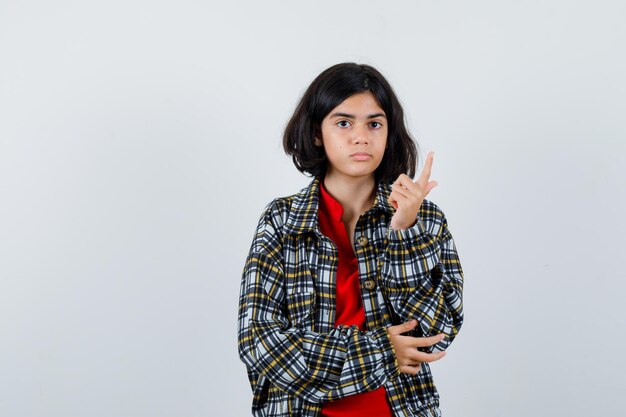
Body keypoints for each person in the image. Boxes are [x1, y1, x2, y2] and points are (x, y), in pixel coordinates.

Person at [237, 63, 464, 417]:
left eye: (374, 124)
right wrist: (382, 352)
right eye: (343, 123)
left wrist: (405, 233)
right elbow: (260, 343)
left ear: (389, 132)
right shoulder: (281, 221)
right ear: (317, 133)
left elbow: (435, 334)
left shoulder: (425, 219)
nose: (361, 137)